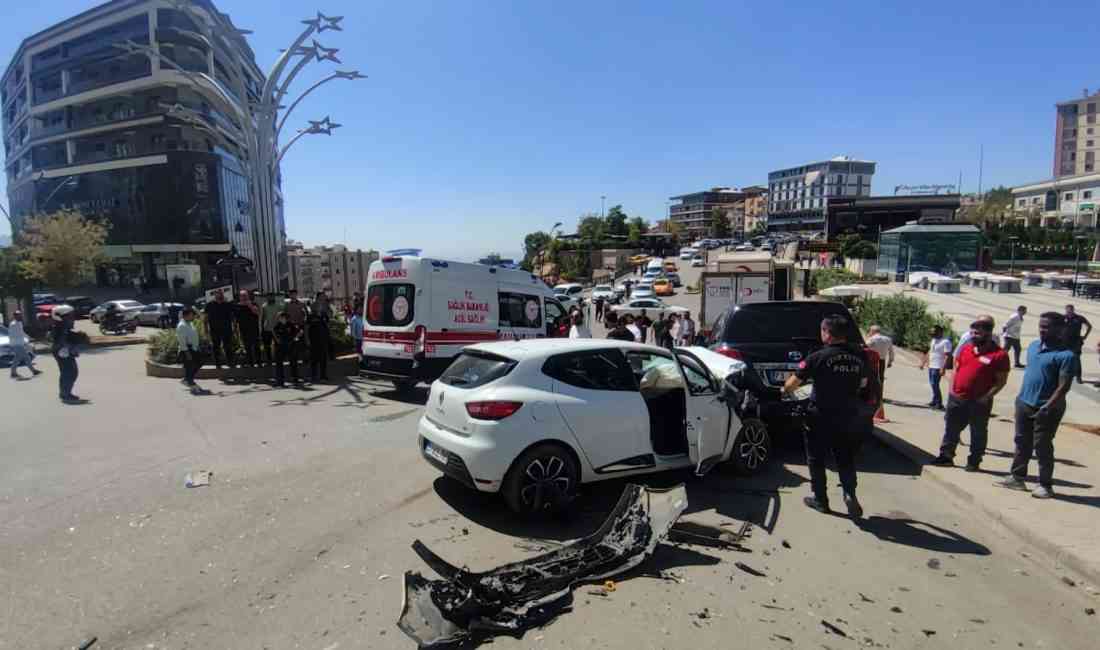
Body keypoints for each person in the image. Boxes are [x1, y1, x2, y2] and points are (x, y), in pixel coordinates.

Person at [783, 314, 870, 518]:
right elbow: (863, 383)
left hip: (820, 415)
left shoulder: (818, 357)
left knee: (816, 458)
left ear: (827, 333)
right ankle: (849, 493)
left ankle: (820, 500)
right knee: (845, 456)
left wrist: (784, 389)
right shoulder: (859, 356)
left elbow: (792, 384)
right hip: (847, 414)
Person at [998, 312, 1076, 499]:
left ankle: (1045, 485)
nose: (1042, 330)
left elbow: (1064, 386)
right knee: (1021, 441)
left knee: (1042, 446)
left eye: (1047, 327)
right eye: (1041, 326)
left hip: (1047, 408)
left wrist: (1047, 406)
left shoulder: (1066, 356)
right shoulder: (1033, 346)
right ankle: (1017, 477)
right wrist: (1020, 399)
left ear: (1060, 329)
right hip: (1024, 403)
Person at [930, 319, 1010, 471]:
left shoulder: (999, 355)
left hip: (979, 402)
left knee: (978, 432)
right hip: (957, 398)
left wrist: (986, 397)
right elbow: (957, 369)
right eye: (972, 332)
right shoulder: (966, 348)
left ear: (988, 333)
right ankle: (946, 456)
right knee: (951, 429)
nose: (973, 335)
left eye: (977, 333)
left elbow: (1001, 381)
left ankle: (974, 461)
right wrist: (952, 390)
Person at [51, 305, 81, 402]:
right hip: (61, 351)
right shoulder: (60, 327)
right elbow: (60, 342)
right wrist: (71, 347)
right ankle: (65, 394)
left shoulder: (63, 326)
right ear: (61, 316)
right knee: (69, 372)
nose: (72, 318)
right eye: (70, 315)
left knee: (71, 372)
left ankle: (65, 393)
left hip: (64, 350)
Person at [919, 325, 952, 410]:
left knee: (934, 384)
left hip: (938, 366)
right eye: (932, 333)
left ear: (940, 332)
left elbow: (947, 356)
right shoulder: (933, 340)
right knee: (932, 384)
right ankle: (934, 400)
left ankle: (939, 403)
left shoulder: (946, 342)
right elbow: (930, 351)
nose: (932, 335)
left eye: (934, 333)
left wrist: (943, 368)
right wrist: (923, 362)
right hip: (931, 365)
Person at [203, 290, 235, 368]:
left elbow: (232, 317)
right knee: (216, 347)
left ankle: (230, 362)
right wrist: (206, 329)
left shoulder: (227, 304)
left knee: (228, 347)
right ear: (215, 295)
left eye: (221, 293)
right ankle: (218, 364)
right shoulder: (210, 305)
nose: (219, 295)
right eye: (217, 294)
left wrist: (234, 327)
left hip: (227, 329)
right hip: (214, 330)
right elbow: (205, 318)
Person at [865, 325, 894, 410]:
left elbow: (865, 347)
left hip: (872, 359)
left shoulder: (872, 339)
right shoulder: (888, 339)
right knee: (880, 378)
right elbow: (891, 352)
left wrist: (867, 337)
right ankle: (879, 396)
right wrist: (890, 361)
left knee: (871, 377)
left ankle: (871, 395)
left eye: (870, 331)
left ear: (873, 331)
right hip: (882, 361)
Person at [272, 312, 303, 387]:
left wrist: (296, 337)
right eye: (280, 318)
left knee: (293, 362)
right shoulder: (276, 327)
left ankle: (295, 379)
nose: (282, 319)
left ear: (286, 318)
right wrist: (277, 342)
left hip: (291, 346)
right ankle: (280, 381)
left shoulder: (291, 325)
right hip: (280, 347)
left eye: (283, 317)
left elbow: (300, 331)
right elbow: (275, 337)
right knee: (279, 364)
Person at [7, 311, 41, 379]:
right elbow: (13, 335)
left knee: (17, 359)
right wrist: (25, 341)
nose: (20, 316)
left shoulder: (19, 323)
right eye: (18, 315)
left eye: (20, 315)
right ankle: (33, 371)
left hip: (19, 344)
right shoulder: (13, 324)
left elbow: (22, 332)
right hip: (16, 344)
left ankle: (13, 373)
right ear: (15, 316)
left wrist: (29, 337)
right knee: (26, 357)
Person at [1064, 304, 1092, 384]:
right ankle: (1066, 375)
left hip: (1076, 341)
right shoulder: (1063, 318)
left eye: (1070, 311)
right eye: (1067, 311)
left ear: (1073, 310)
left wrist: (1085, 336)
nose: (1069, 313)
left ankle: (1078, 377)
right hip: (1065, 341)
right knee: (1065, 359)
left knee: (1077, 359)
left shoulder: (1079, 318)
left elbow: (1089, 326)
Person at [176, 307, 202, 388]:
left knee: (198, 363)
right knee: (190, 366)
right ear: (186, 315)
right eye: (191, 315)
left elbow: (200, 316)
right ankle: (190, 381)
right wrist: (187, 353)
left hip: (193, 347)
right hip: (187, 349)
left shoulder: (190, 323)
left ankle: (187, 379)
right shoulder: (182, 325)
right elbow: (182, 341)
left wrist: (197, 346)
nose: (193, 316)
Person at [235, 290, 261, 367]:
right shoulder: (237, 306)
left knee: (256, 346)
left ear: (248, 296)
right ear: (239, 297)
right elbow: (236, 319)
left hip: (254, 328)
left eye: (245, 295)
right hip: (243, 330)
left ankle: (259, 362)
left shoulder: (253, 304)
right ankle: (251, 363)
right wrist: (236, 330)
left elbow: (258, 313)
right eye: (242, 296)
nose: (243, 297)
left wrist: (250, 306)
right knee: (247, 347)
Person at [306, 312, 330, 382]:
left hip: (323, 342)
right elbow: (306, 327)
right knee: (313, 360)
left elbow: (327, 325)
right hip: (313, 342)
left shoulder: (324, 315)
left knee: (323, 360)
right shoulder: (311, 316)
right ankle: (313, 376)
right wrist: (307, 340)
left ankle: (323, 376)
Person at [260, 293, 281, 364]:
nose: (270, 298)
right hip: (267, 328)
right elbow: (262, 318)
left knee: (277, 345)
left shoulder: (278, 305)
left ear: (274, 297)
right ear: (267, 298)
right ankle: (269, 360)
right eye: (269, 297)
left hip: (276, 328)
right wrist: (262, 329)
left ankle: (278, 359)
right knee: (267, 345)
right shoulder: (264, 306)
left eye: (272, 297)